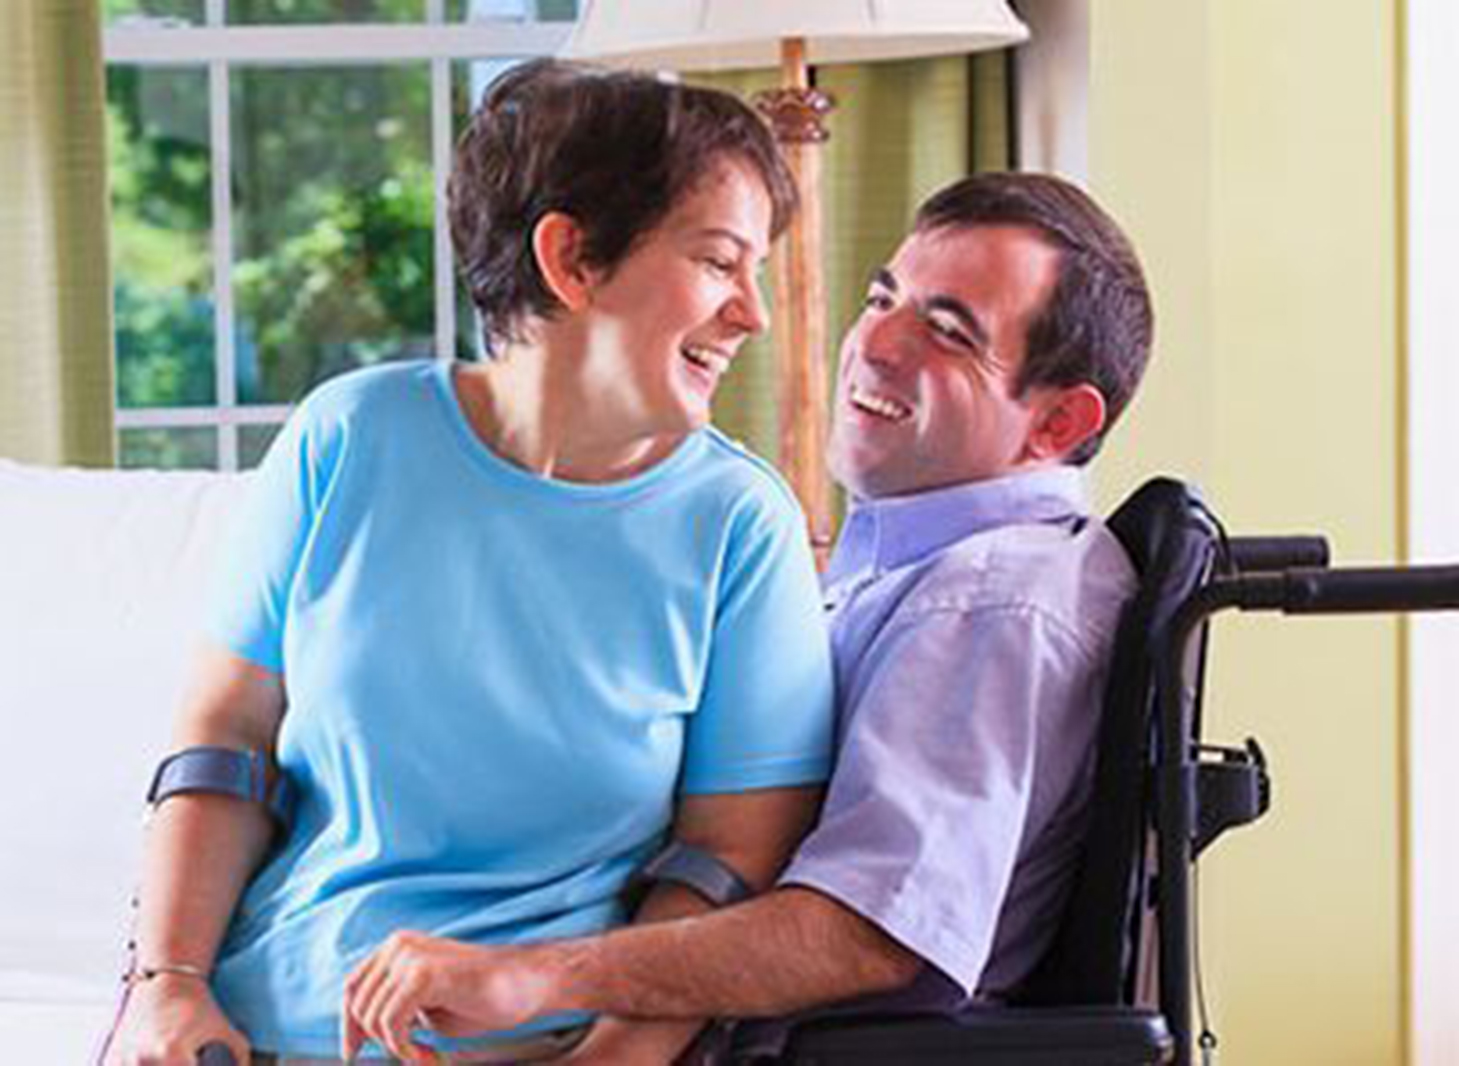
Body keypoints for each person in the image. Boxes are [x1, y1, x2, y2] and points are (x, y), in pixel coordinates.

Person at [101, 59, 836, 1066]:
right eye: (717, 261)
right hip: (248, 1028)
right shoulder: (349, 436)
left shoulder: (740, 524)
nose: (751, 312)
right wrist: (168, 987)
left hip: (533, 1039)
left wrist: (613, 1057)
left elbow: (729, 860)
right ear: (571, 258)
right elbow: (226, 738)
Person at [335, 171, 1155, 1062]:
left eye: (947, 331)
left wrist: (535, 973)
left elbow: (863, 936)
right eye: (885, 295)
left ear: (1058, 421)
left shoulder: (991, 607)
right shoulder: (912, 569)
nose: (874, 342)